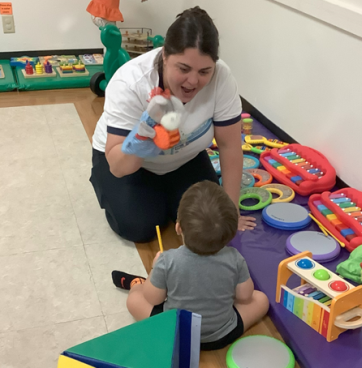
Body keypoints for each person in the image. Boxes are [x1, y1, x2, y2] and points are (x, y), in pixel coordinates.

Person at [90, 7, 256, 243]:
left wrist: (231, 213)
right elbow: (118, 167)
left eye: (204, 71)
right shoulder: (130, 82)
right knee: (140, 227)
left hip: (184, 158)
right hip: (128, 162)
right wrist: (146, 137)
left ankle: (167, 193)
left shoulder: (222, 78)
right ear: (165, 55)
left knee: (211, 219)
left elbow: (230, 146)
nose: (193, 81)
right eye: (184, 69)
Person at [111, 181, 269, 350]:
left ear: (178, 228)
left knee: (135, 299)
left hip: (176, 333)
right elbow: (245, 296)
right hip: (222, 334)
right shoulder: (235, 259)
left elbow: (152, 298)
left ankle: (137, 284)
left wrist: (154, 270)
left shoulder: (167, 261)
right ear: (230, 234)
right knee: (261, 300)